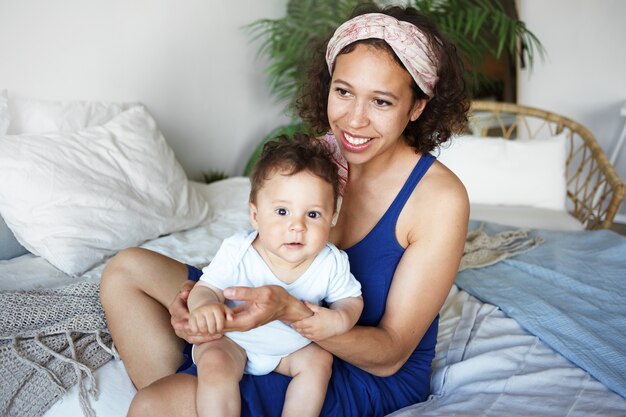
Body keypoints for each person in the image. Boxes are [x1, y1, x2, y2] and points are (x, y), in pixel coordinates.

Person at [100, 3, 470, 416]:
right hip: (273, 325)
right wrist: (201, 297)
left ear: (416, 108)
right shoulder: (316, 160)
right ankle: (203, 385)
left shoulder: (439, 199)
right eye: (343, 92)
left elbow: (390, 355)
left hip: (356, 365)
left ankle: (188, 396)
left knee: (153, 406)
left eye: (381, 102)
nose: (354, 120)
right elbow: (263, 252)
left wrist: (289, 313)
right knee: (126, 270)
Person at [141, 135, 363, 417]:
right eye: (282, 211)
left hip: (290, 349)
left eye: (313, 214)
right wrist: (205, 306)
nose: (297, 226)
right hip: (235, 341)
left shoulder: (331, 262)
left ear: (332, 216)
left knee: (319, 361)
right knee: (214, 362)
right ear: (255, 215)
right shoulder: (237, 250)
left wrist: (340, 318)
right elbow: (207, 287)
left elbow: (350, 300)